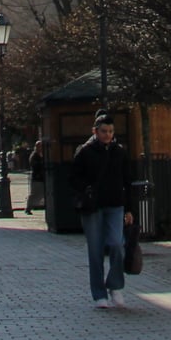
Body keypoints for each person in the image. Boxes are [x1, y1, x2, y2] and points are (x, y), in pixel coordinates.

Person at [69, 113, 135, 308]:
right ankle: (99, 294)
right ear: (95, 131)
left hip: (115, 204)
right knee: (95, 250)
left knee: (117, 243)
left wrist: (129, 209)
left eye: (111, 131)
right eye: (104, 131)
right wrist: (86, 189)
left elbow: (127, 181)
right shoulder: (85, 152)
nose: (107, 135)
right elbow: (72, 178)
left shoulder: (119, 152)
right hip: (93, 206)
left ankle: (115, 285)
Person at [26, 140, 48, 214]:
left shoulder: (42, 154)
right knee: (35, 194)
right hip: (36, 178)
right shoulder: (34, 155)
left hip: (42, 177)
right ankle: (28, 207)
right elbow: (35, 165)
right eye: (39, 146)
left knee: (43, 193)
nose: (41, 148)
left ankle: (43, 206)